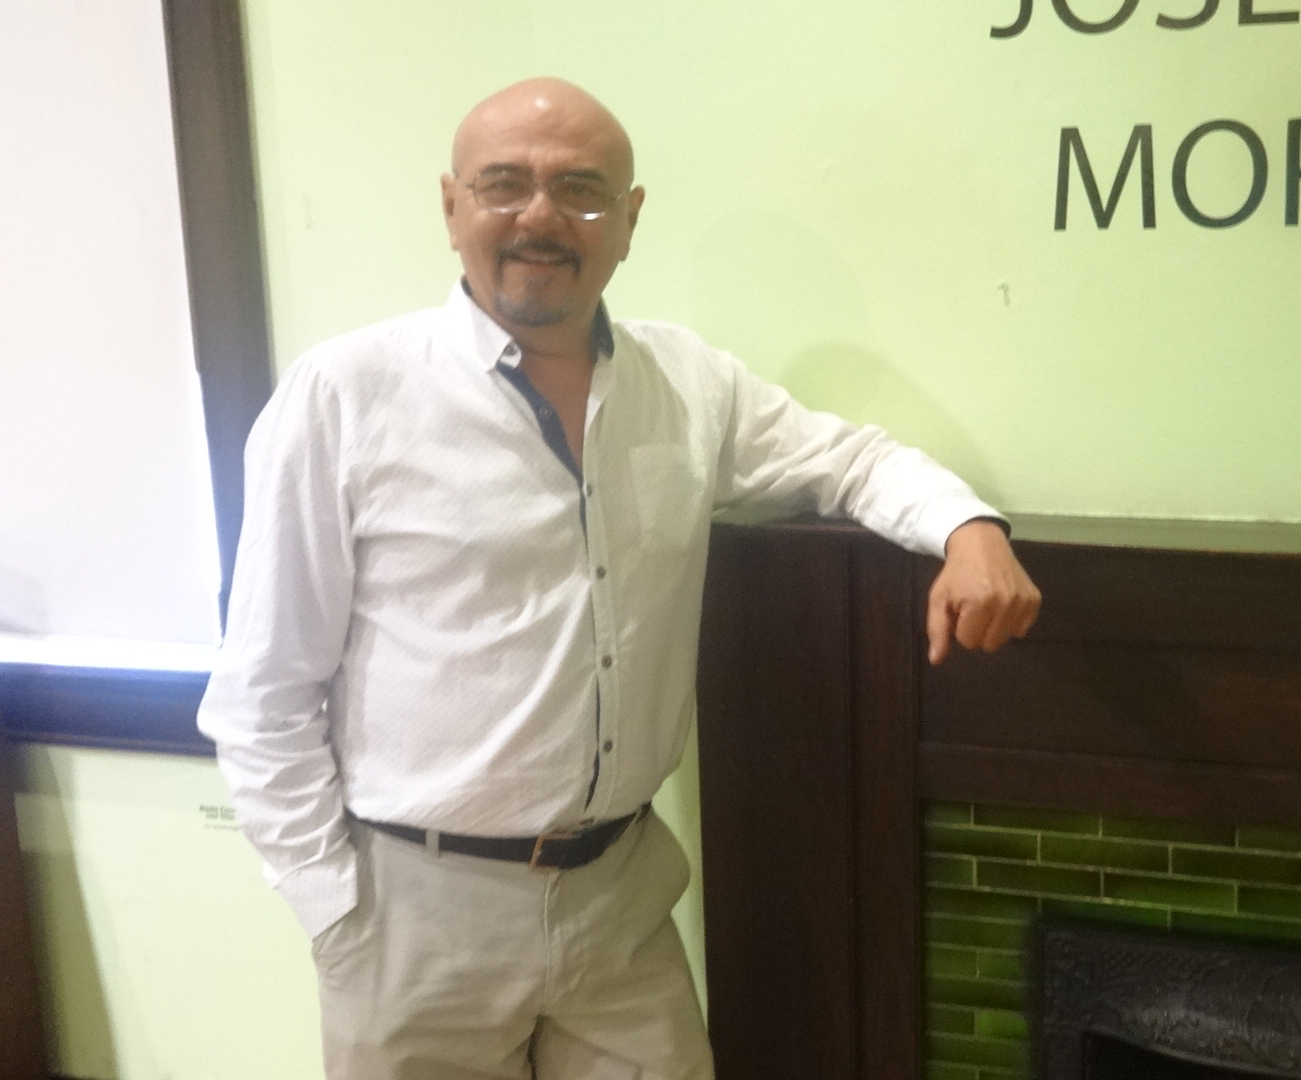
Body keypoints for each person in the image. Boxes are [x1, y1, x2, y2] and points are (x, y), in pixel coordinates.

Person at [198, 77, 1041, 1080]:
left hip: (621, 905)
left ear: (630, 219)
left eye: (581, 189)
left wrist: (968, 529)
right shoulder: (345, 395)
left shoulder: (689, 385)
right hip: (415, 918)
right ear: (452, 206)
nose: (541, 216)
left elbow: (851, 461)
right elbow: (264, 691)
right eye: (503, 184)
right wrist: (334, 909)